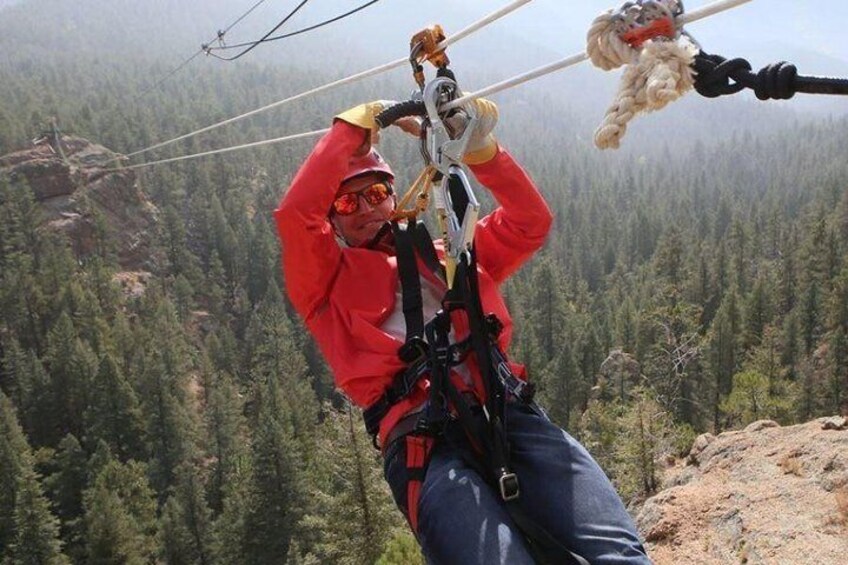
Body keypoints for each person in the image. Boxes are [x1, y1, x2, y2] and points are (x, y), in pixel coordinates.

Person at [274, 99, 652, 564]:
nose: (365, 209)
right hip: (425, 444)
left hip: (507, 409)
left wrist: (482, 152)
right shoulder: (324, 285)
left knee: (617, 554)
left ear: (394, 197)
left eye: (375, 194)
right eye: (347, 201)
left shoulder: (451, 252)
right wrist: (353, 128)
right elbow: (295, 217)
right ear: (331, 218)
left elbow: (530, 222)